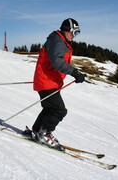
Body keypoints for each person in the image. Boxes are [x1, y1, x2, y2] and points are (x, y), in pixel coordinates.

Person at [29, 18, 86, 150]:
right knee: (59, 110)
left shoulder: (59, 40)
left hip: (49, 81)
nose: (74, 36)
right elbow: (57, 62)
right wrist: (74, 73)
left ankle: (36, 131)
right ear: (66, 30)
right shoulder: (58, 41)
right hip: (46, 82)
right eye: (74, 32)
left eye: (77, 33)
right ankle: (44, 134)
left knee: (50, 109)